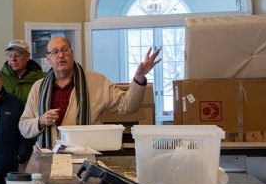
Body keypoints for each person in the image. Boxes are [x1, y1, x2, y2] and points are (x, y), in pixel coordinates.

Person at [19, 37, 161, 148]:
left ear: (72, 53)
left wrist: (139, 77)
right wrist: (40, 121)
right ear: (48, 59)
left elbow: (127, 106)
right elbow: (24, 126)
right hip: (48, 158)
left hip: (85, 159)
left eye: (65, 49)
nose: (61, 55)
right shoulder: (38, 87)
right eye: (55, 52)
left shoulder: (96, 81)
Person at [1, 39, 45, 163]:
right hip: (7, 138)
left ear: (28, 56)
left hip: (33, 137)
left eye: (18, 55)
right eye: (10, 55)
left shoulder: (41, 80)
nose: (13, 59)